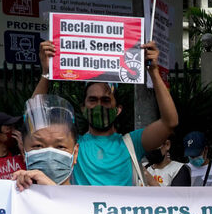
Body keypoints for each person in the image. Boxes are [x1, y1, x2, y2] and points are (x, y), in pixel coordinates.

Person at [34, 40, 178, 186]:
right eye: (92, 100)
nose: (99, 105)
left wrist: (153, 72)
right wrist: (46, 73)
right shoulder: (72, 144)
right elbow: (36, 122)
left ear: (118, 109)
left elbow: (170, 122)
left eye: (105, 100)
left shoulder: (132, 143)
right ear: (83, 107)